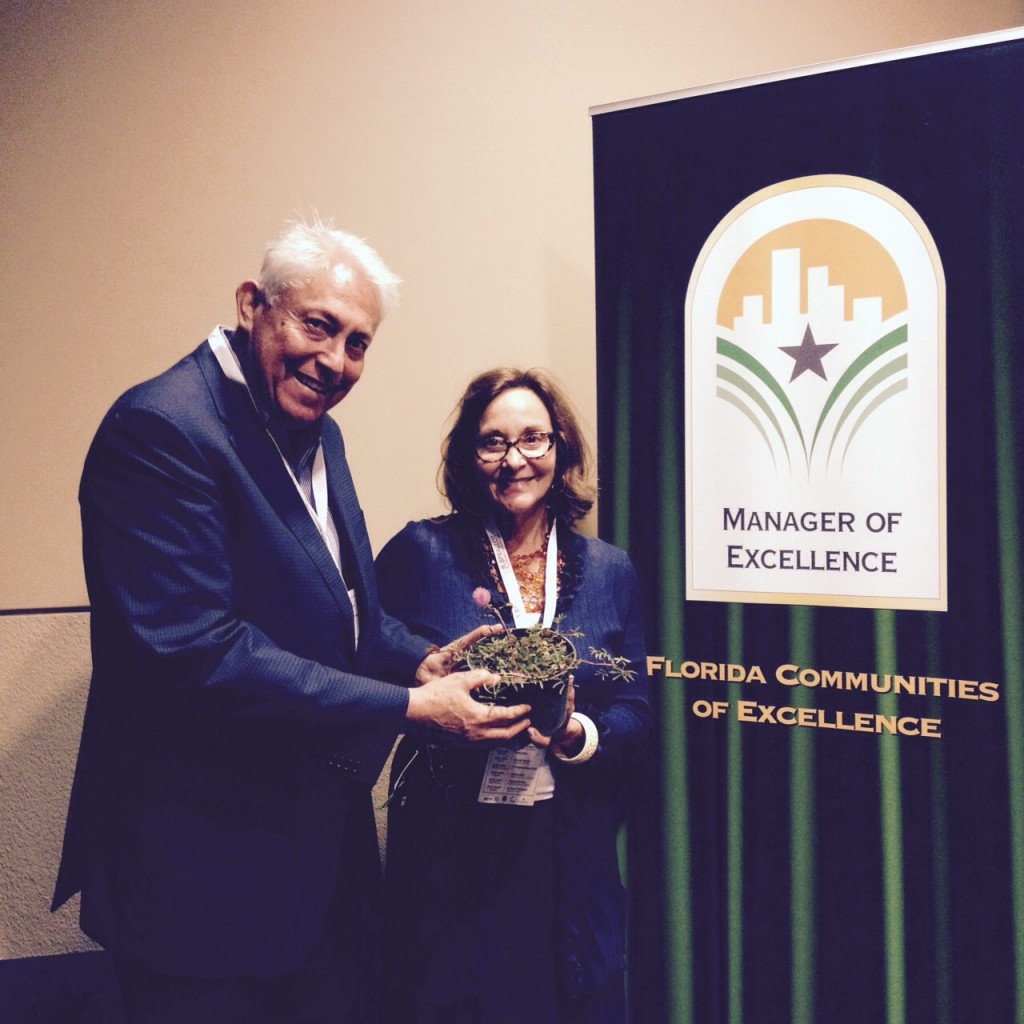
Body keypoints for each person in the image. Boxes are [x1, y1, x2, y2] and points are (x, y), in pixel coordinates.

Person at [50, 220, 531, 1024]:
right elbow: (196, 651)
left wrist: (419, 661)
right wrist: (414, 709)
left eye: (357, 342)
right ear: (252, 305)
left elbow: (334, 606)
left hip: (315, 863)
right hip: (197, 877)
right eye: (318, 325)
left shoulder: (319, 431)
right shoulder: (162, 429)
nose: (335, 360)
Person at [375, 368, 651, 1024]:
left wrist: (576, 733)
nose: (515, 459)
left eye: (534, 439)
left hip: (568, 855)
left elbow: (636, 707)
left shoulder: (611, 571)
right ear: (469, 458)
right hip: (451, 859)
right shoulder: (421, 552)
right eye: (492, 443)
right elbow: (360, 647)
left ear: (562, 450)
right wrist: (419, 668)